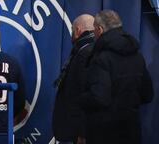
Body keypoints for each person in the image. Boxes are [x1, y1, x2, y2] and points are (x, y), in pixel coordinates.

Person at [81, 10, 154, 144]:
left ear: (100, 29)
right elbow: (147, 94)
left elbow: (99, 98)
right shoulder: (138, 57)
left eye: (94, 30)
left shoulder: (101, 58)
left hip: (104, 133)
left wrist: (82, 98)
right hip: (131, 131)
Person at [52, 14, 95, 144]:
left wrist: (82, 132)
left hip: (83, 130)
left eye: (72, 29)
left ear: (77, 30)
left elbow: (85, 94)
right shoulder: (88, 49)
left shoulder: (85, 53)